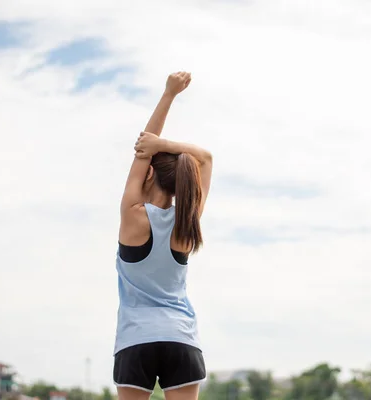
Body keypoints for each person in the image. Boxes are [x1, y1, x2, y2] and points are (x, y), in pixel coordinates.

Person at [113, 71, 213, 400]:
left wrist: (168, 95)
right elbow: (206, 159)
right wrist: (165, 145)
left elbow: (143, 149)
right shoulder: (187, 223)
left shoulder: (133, 215)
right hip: (181, 338)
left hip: (135, 339)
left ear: (149, 173)